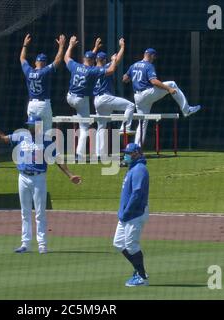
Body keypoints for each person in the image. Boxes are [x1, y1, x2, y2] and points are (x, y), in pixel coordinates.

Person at [0, 113, 82, 254]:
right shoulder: (21, 136)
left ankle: (42, 244)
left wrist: (70, 175)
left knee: (40, 212)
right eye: (29, 125)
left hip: (38, 178)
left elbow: (58, 159)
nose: (30, 127)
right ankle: (25, 244)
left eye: (33, 125)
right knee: (25, 212)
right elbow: (2, 138)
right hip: (23, 177)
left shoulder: (46, 140)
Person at [123, 48, 201, 146]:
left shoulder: (133, 65)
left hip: (137, 97)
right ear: (151, 55)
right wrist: (168, 89)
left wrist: (133, 77)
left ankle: (136, 149)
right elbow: (154, 81)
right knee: (172, 84)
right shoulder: (149, 65)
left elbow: (125, 79)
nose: (154, 58)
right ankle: (186, 110)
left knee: (142, 123)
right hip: (147, 93)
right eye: (154, 56)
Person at [64, 36, 125, 161]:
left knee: (85, 123)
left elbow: (66, 58)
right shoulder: (94, 70)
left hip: (69, 97)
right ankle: (79, 155)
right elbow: (112, 69)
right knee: (84, 128)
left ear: (83, 59)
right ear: (93, 61)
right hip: (82, 100)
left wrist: (70, 45)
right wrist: (113, 59)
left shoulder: (76, 66)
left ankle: (80, 154)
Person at [113, 143, 150, 287]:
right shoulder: (133, 168)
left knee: (131, 245)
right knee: (118, 243)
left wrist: (127, 211)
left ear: (136, 154)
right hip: (125, 214)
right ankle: (139, 270)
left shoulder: (140, 169)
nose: (125, 155)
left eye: (128, 153)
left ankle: (142, 277)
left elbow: (137, 194)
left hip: (134, 213)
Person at [93, 50, 135, 159]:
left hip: (97, 100)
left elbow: (116, 60)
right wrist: (122, 47)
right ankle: (124, 127)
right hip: (106, 98)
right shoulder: (105, 68)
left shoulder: (91, 70)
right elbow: (117, 61)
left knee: (101, 127)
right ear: (104, 60)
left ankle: (99, 154)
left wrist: (120, 50)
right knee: (130, 105)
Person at [20, 33, 66, 133]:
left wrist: (25, 45)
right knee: (46, 134)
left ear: (36, 62)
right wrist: (61, 46)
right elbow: (58, 60)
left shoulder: (29, 71)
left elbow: (22, 58)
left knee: (34, 133)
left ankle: (33, 148)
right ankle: (45, 148)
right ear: (44, 63)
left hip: (31, 105)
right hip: (43, 105)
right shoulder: (45, 71)